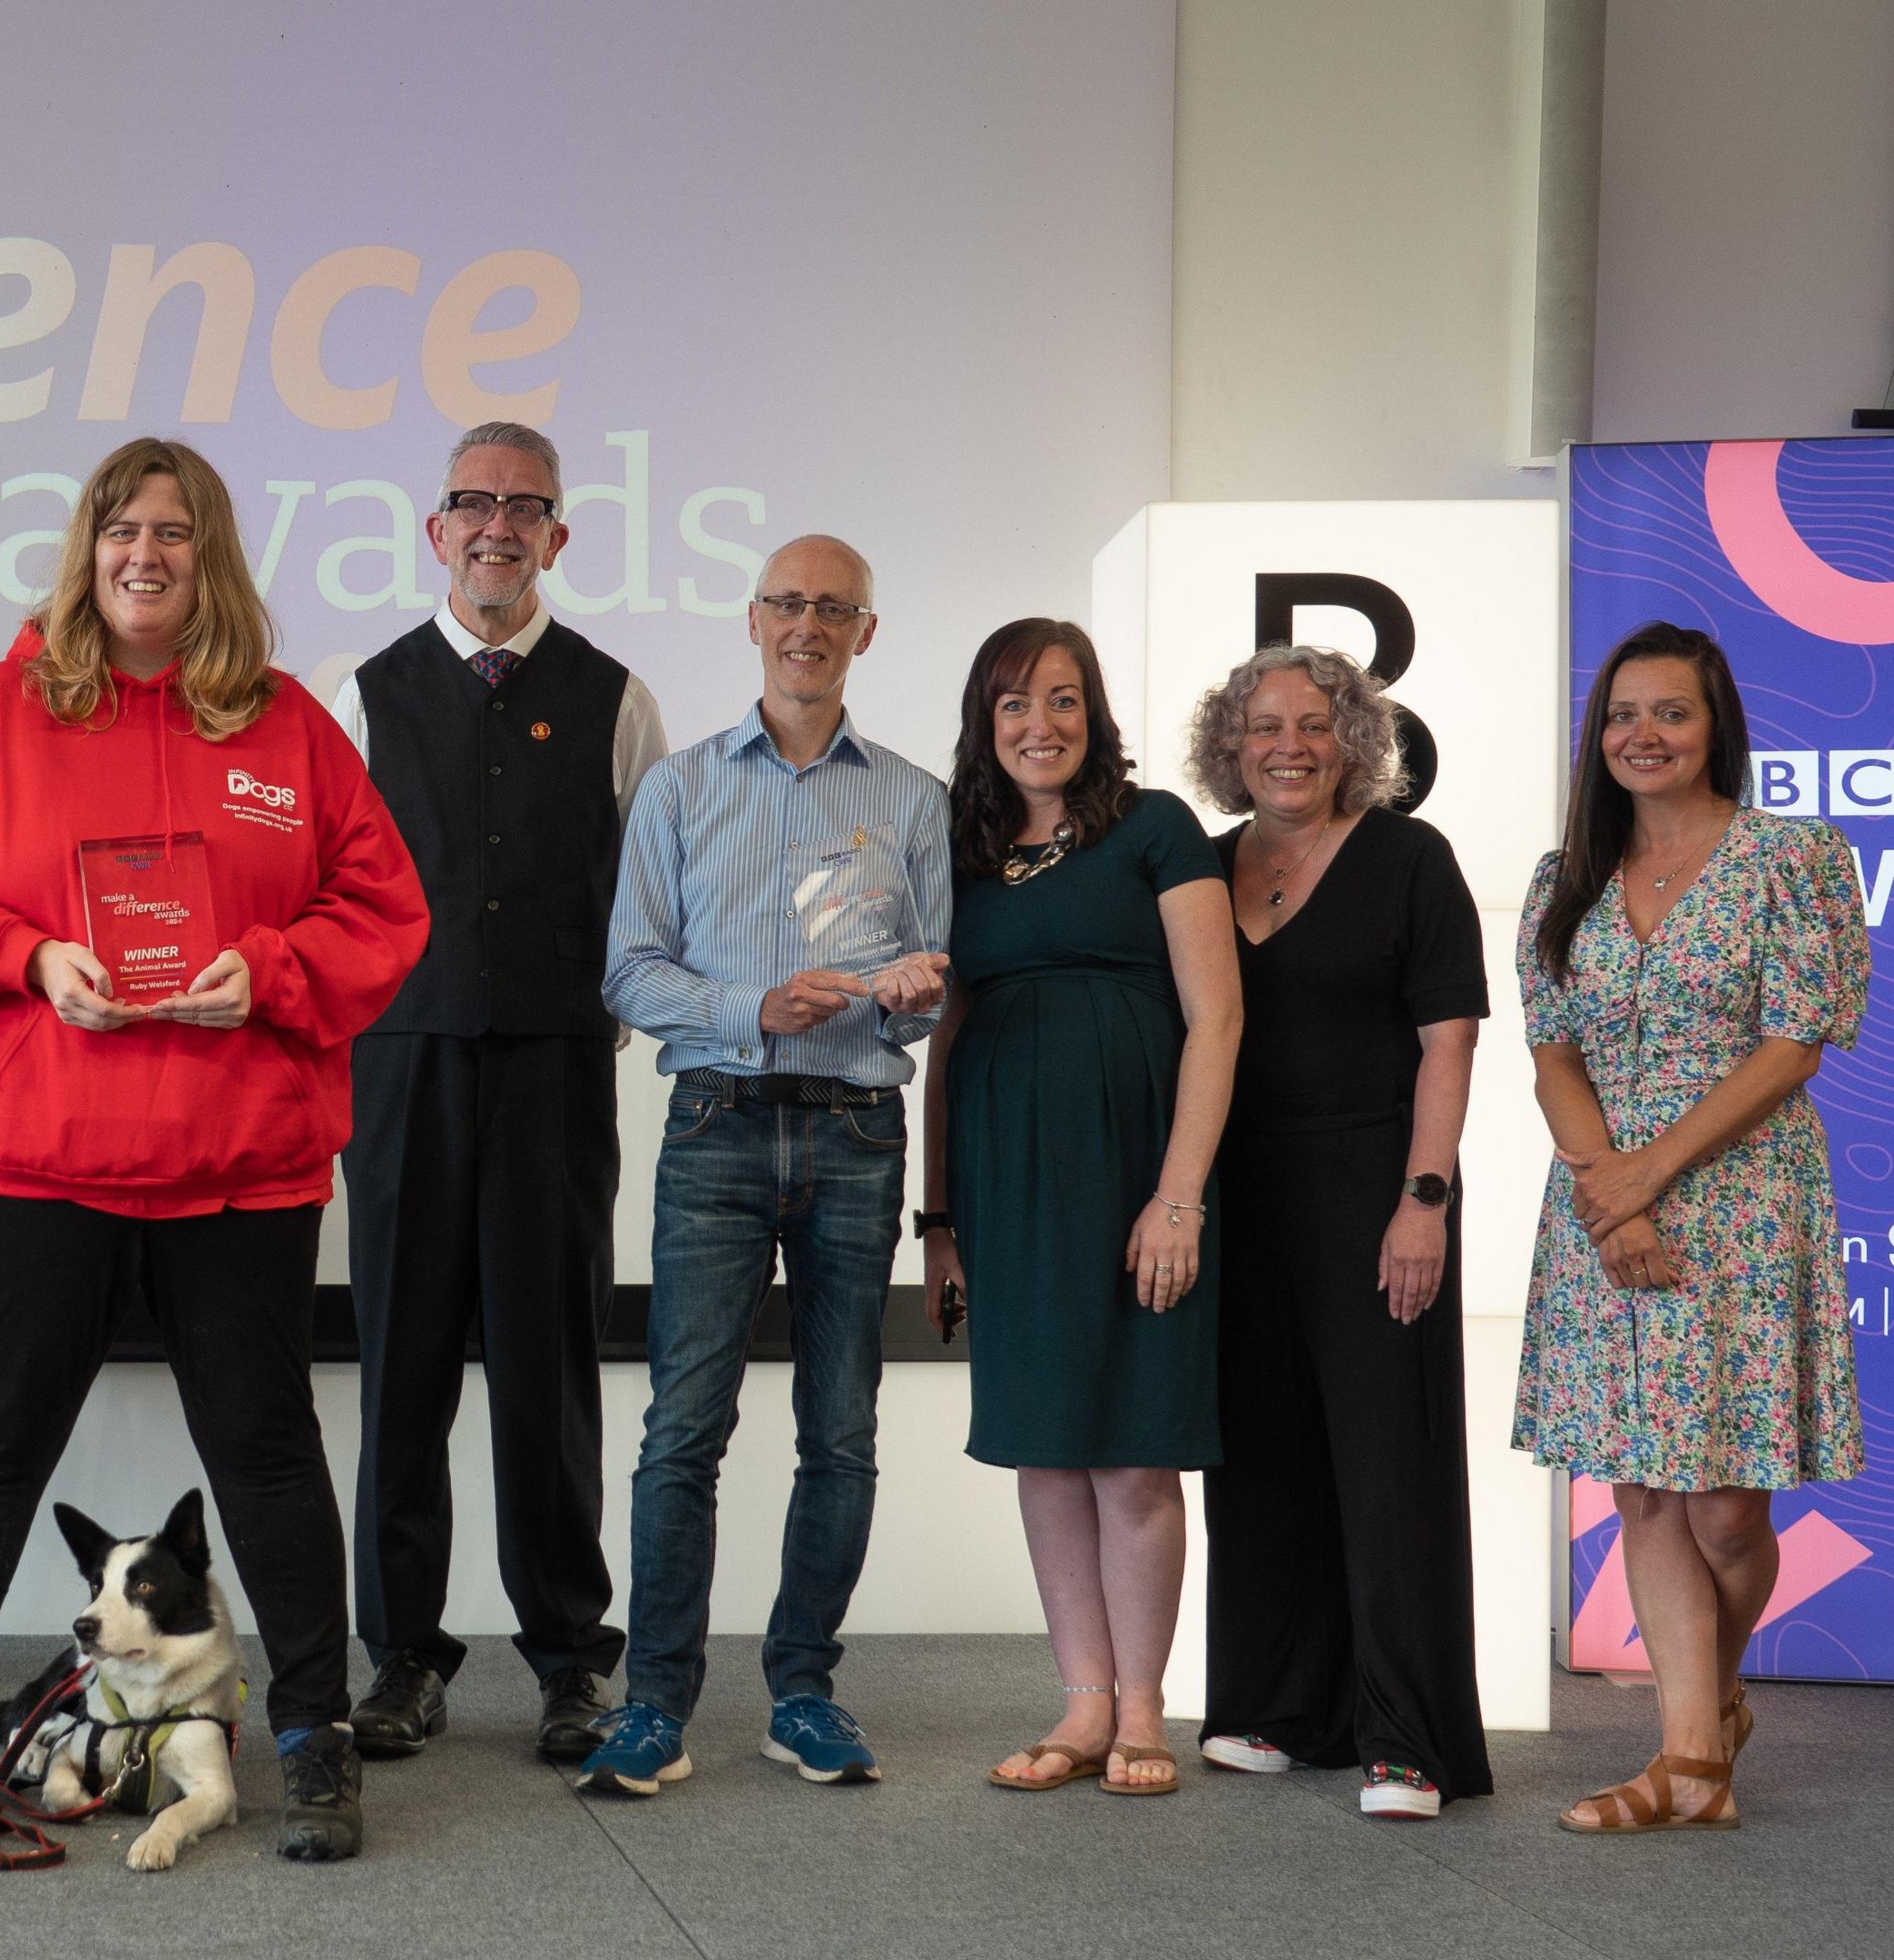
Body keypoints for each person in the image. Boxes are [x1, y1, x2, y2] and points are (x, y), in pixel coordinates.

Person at [0, 436, 428, 1869]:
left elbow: (383, 912)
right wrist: (29, 953)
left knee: (268, 1456)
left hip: (239, 1164)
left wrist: (276, 971)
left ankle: (312, 1738)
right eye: (123, 531)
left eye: (175, 532)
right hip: (39, 1159)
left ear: (211, 554)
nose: (146, 556)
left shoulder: (290, 728)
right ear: (86, 549)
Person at [576, 535, 951, 1798]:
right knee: (684, 1428)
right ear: (751, 621)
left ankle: (804, 1693)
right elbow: (630, 971)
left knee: (840, 1434)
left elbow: (932, 985)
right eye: (788, 604)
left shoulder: (910, 799)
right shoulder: (679, 791)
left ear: (866, 632)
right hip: (718, 1124)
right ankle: (654, 1707)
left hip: (855, 1136)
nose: (808, 625)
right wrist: (752, 1008)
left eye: (834, 608)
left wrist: (910, 995)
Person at [325, 422, 665, 1766]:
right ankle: (403, 1657)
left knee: (551, 1372)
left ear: (559, 538)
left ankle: (571, 1661)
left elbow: (649, 897)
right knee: (401, 1367)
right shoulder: (360, 695)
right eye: (473, 502)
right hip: (399, 1067)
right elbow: (323, 890)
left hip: (553, 1075)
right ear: (436, 528)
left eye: (526, 507)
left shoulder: (618, 697)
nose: (497, 527)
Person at [1516, 622, 1867, 1835]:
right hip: (1603, 1200)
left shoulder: (1791, 856)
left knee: (1723, 1502)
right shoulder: (1567, 875)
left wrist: (1650, 1173)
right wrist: (1606, 1186)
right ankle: (1690, 1764)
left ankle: (1708, 1705)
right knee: (1646, 1491)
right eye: (1623, 716)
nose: (1643, 736)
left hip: (1743, 1200)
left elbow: (1799, 1036)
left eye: (1670, 713)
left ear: (1715, 723)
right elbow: (1551, 1050)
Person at [920, 620, 1241, 1798]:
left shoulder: (1156, 830)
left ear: (1094, 714)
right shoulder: (964, 852)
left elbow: (1218, 1018)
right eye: (1012, 705)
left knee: (1136, 1453)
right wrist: (938, 1222)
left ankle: (1146, 1708)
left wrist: (1179, 1198)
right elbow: (945, 1044)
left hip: (1138, 1177)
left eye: (1061, 700)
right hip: (1006, 1181)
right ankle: (1082, 1701)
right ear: (983, 723)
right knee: (1046, 1452)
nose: (1038, 725)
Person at [1184, 646, 1493, 1820]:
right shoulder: (1208, 872)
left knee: (1387, 1468)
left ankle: (1408, 1740)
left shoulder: (1412, 860)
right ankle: (1274, 1709)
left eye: (1315, 725)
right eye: (1265, 727)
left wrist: (1428, 1197)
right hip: (1244, 1200)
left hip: (1378, 1198)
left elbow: (1449, 1043)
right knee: (1259, 1460)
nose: (1289, 746)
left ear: (1354, 738)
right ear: (1232, 745)